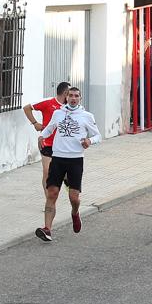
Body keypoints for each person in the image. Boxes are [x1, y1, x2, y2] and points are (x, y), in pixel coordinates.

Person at [36, 86, 100, 241]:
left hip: (75, 160)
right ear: (66, 97)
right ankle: (47, 229)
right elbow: (50, 128)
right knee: (52, 193)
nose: (73, 98)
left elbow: (98, 135)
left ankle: (75, 213)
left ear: (80, 98)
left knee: (74, 197)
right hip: (57, 158)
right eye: (70, 95)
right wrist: (41, 136)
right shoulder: (58, 113)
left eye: (76, 96)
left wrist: (89, 140)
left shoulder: (86, 116)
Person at [23, 82, 69, 193]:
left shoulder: (71, 107)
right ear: (65, 93)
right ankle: (49, 199)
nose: (72, 96)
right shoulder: (48, 102)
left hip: (64, 145)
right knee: (47, 172)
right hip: (47, 143)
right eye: (70, 93)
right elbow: (27, 108)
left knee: (66, 173)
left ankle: (69, 187)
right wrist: (35, 123)